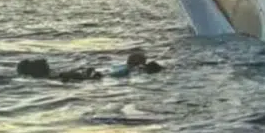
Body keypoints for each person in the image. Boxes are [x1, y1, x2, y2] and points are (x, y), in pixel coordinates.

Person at [16, 51, 163, 82]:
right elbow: (70, 77)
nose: (43, 61)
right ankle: (136, 67)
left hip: (92, 76)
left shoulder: (51, 75)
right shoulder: (50, 77)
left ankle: (136, 67)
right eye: (34, 62)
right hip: (94, 78)